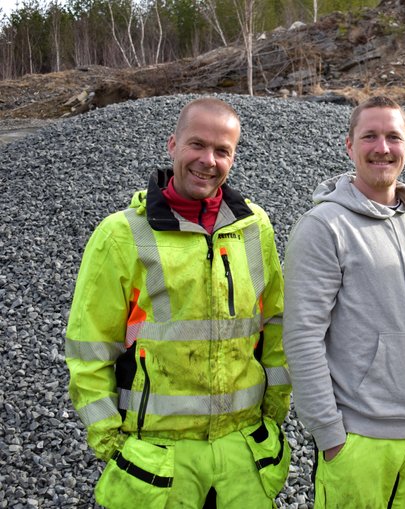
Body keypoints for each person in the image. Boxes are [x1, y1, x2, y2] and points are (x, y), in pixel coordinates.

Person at [65, 97, 291, 508]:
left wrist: (274, 412)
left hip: (243, 456)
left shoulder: (255, 227)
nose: (208, 160)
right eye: (197, 145)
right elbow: (89, 347)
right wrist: (110, 442)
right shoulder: (120, 236)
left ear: (234, 156)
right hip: (158, 462)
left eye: (222, 150)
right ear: (172, 145)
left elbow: (275, 323)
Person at [282, 95, 405, 508]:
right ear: (349, 146)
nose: (382, 148)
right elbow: (301, 337)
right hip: (359, 439)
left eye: (393, 137)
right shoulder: (323, 227)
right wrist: (329, 434)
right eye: (370, 136)